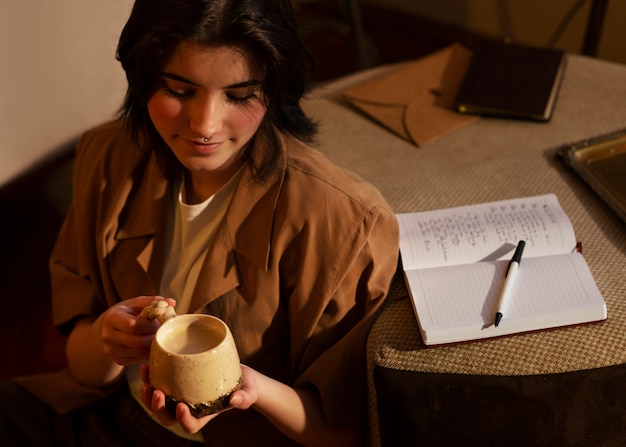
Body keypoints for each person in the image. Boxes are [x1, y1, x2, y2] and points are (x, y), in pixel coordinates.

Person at [0, 0, 399, 445]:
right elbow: (84, 368)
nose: (204, 125)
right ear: (143, 77)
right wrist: (105, 340)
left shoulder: (342, 223)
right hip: (110, 411)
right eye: (179, 90)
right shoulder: (108, 158)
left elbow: (341, 432)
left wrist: (255, 390)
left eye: (240, 95)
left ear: (274, 88)